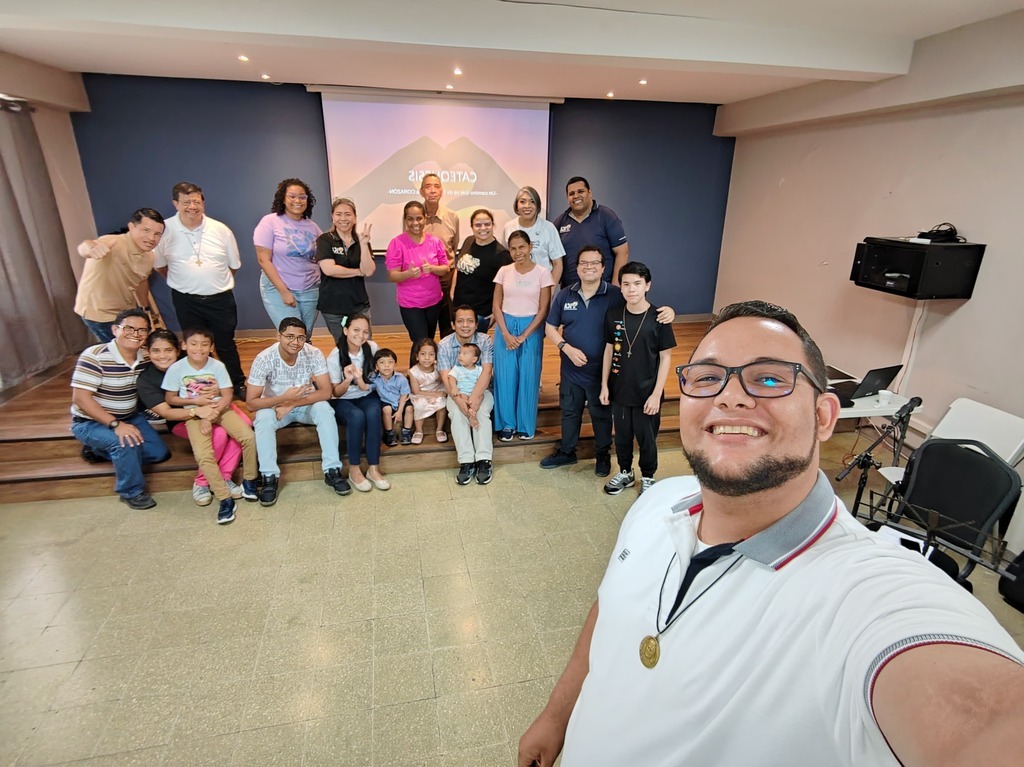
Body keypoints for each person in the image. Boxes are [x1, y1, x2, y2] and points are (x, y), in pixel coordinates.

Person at [518, 300, 1024, 767]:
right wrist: (557, 715)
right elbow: (612, 608)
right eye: (708, 377)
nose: (730, 397)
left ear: (823, 416)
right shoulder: (655, 504)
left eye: (768, 379)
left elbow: (980, 715)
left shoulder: (867, 595)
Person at [541, 246, 674, 476]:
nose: (589, 267)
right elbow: (550, 327)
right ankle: (567, 451)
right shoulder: (565, 295)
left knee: (601, 414)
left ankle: (602, 455)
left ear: (603, 268)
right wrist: (565, 347)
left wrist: (669, 311)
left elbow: (640, 307)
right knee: (570, 411)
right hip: (571, 370)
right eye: (584, 263)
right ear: (577, 267)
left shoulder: (615, 294)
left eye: (595, 263)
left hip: (602, 372)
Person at [138, 329, 255, 511]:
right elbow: (168, 411)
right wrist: (198, 409)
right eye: (156, 351)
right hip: (183, 417)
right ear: (147, 351)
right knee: (218, 435)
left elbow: (223, 388)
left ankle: (225, 475)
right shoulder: (148, 379)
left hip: (216, 407)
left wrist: (217, 392)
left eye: (168, 350)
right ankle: (203, 482)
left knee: (246, 427)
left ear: (178, 349)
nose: (162, 356)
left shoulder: (200, 359)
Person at [152, 182, 246, 398]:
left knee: (225, 344)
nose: (192, 207)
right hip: (186, 300)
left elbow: (233, 266)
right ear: (175, 204)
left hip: (220, 299)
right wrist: (183, 282)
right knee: (196, 345)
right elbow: (160, 266)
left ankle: (237, 383)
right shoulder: (164, 230)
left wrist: (213, 283)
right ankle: (202, 385)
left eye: (196, 201)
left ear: (203, 203)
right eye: (186, 202)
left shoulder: (221, 230)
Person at [69, 308, 170, 509]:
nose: (135, 334)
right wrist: (115, 425)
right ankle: (131, 492)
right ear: (115, 330)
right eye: (129, 328)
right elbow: (80, 399)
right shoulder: (94, 356)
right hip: (90, 422)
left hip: (130, 417)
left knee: (159, 453)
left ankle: (99, 449)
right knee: (126, 444)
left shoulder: (145, 356)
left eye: (142, 330)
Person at [246, 317, 348, 505]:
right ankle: (269, 476)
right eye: (289, 336)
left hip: (302, 405)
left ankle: (332, 470)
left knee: (324, 409)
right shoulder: (264, 358)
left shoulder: (313, 353)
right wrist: (283, 399)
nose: (295, 342)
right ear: (278, 336)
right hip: (276, 408)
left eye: (301, 338)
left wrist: (292, 403)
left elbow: (326, 392)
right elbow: (251, 403)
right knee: (263, 417)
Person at [599, 262, 675, 495]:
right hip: (620, 389)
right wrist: (604, 385)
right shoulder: (613, 315)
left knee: (647, 438)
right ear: (620, 287)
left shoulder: (659, 317)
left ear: (647, 286)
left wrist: (656, 394)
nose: (631, 289)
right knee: (622, 436)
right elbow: (609, 350)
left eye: (637, 284)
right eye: (626, 284)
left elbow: (666, 357)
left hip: (647, 392)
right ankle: (625, 472)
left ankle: (648, 476)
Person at [492, 230, 555, 441]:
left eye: (521, 247)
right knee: (505, 376)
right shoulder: (504, 271)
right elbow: (496, 305)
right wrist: (506, 333)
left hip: (532, 327)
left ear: (530, 247)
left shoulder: (543, 273)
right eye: (513, 248)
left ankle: (525, 424)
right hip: (505, 327)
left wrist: (525, 335)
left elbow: (543, 309)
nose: (517, 252)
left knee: (529, 376)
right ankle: (507, 424)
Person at [74, 208, 165, 343]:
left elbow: (141, 282)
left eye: (157, 234)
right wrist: (92, 248)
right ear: (131, 227)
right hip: (99, 313)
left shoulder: (150, 257)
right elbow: (84, 247)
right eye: (146, 230)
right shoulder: (113, 242)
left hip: (125, 311)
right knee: (123, 350)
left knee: (138, 346)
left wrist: (145, 310)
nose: (151, 238)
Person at [327, 314, 390, 491]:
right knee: (356, 416)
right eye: (356, 330)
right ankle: (354, 469)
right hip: (342, 399)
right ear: (346, 330)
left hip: (365, 394)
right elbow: (335, 392)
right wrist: (347, 380)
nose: (361, 335)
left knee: (373, 412)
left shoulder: (372, 347)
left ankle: (373, 469)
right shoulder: (334, 357)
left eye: (365, 332)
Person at [254, 178, 322, 336]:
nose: (297, 200)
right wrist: (284, 292)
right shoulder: (270, 222)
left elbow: (324, 254)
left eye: (302, 197)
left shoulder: (312, 227)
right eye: (292, 196)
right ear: (283, 199)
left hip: (310, 288)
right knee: (291, 335)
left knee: (305, 336)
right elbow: (263, 259)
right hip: (278, 288)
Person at [438, 306, 494, 486]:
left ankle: (484, 460)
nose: (465, 325)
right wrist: (460, 401)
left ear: (476, 324)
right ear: (453, 324)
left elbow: (487, 372)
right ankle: (466, 462)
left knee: (481, 412)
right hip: (457, 392)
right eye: (460, 321)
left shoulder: (485, 341)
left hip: (482, 391)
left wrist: (475, 399)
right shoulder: (444, 344)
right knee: (457, 413)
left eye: (470, 321)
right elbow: (446, 377)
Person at [385, 201, 450, 346]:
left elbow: (445, 268)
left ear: (425, 219)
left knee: (428, 341)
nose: (415, 223)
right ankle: (416, 362)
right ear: (405, 220)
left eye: (419, 218)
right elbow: (392, 275)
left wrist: (432, 268)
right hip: (411, 304)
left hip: (433, 302)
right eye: (410, 219)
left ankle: (422, 362)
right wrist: (407, 274)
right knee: (421, 343)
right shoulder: (397, 243)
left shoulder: (435, 241)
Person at [314, 197, 374, 345]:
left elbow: (368, 271)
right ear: (332, 217)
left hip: (359, 305)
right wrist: (357, 272)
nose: (343, 218)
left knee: (364, 345)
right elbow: (329, 269)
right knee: (342, 346)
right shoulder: (325, 240)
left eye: (348, 214)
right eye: (338, 214)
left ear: (354, 217)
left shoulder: (361, 240)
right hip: (333, 307)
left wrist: (364, 245)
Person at [552, 176, 628, 287]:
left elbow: (622, 252)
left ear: (589, 192)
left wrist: (615, 288)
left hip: (603, 290)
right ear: (567, 198)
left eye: (580, 191)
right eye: (571, 193)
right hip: (570, 291)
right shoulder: (559, 223)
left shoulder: (606, 216)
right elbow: (554, 261)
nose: (576, 196)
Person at [451, 208, 511, 332]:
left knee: (474, 344)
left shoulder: (501, 254)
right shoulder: (469, 241)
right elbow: (459, 267)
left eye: (487, 224)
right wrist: (452, 291)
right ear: (472, 227)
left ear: (493, 225)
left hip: (480, 314)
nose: (483, 228)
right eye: (478, 225)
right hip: (459, 309)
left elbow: (507, 288)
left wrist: (496, 312)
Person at [420, 172, 460, 336]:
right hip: (422, 278)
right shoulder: (414, 217)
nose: (432, 190)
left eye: (436, 186)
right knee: (425, 330)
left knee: (447, 326)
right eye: (428, 187)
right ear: (421, 192)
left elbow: (454, 246)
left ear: (441, 191)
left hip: (445, 277)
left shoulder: (452, 217)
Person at [501, 185, 565, 285]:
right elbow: (505, 259)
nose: (527, 206)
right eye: (522, 201)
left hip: (542, 286)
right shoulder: (509, 227)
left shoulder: (548, 228)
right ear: (517, 205)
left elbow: (558, 264)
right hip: (515, 285)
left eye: (532, 202)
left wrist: (550, 290)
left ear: (537, 206)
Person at [408, 338, 448, 445]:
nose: (427, 358)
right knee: (419, 405)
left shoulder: (438, 367)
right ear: (417, 356)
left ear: (435, 356)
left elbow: (442, 381)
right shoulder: (413, 372)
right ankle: (418, 430)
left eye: (431, 354)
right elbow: (416, 391)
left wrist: (441, 392)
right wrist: (433, 394)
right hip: (421, 393)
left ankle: (440, 429)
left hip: (437, 390)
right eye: (423, 354)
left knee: (441, 403)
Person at [371, 348, 413, 447]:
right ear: (376, 366)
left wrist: (399, 411)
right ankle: (389, 433)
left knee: (409, 408)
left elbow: (404, 395)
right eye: (382, 362)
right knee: (386, 409)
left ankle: (406, 431)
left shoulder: (401, 379)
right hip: (386, 401)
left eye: (390, 362)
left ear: (395, 364)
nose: (387, 365)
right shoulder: (374, 378)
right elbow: (365, 387)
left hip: (400, 401)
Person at [447, 344, 483, 429]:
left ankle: (473, 411)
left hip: (475, 391)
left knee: (481, 397)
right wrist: (454, 387)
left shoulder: (479, 369)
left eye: (464, 354)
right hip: (463, 391)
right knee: (463, 398)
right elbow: (451, 377)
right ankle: (470, 416)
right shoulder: (457, 368)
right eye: (460, 353)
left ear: (474, 359)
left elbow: (482, 380)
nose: (460, 356)